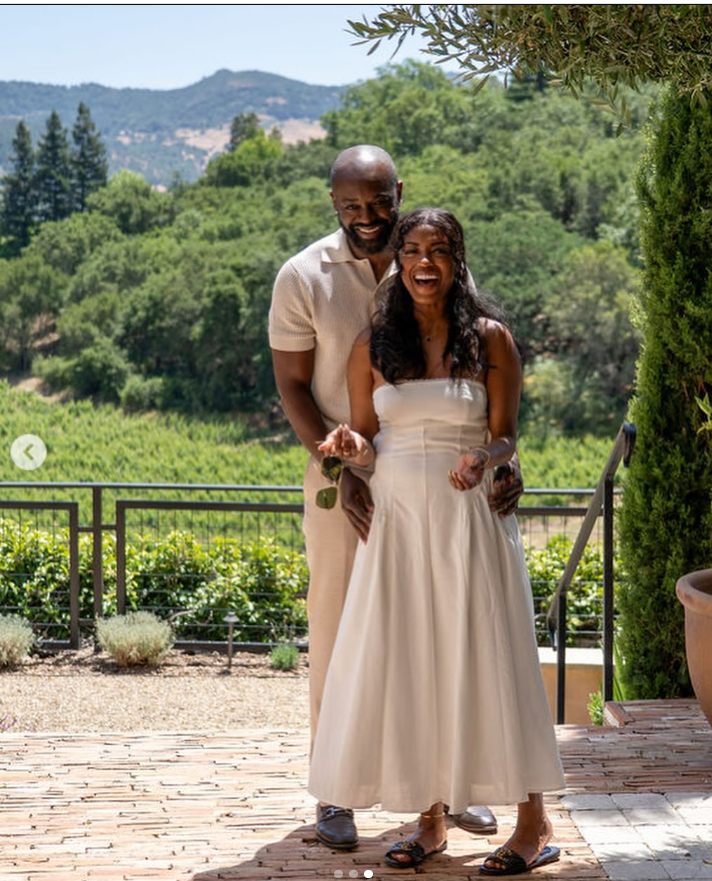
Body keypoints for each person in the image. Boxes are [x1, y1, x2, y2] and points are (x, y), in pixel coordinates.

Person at [269, 145, 523, 850]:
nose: (365, 216)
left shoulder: (430, 254)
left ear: (398, 194)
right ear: (333, 203)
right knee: (339, 628)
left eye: (378, 203)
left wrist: (504, 461)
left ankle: (451, 783)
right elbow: (292, 386)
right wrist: (340, 464)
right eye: (351, 205)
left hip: (438, 487)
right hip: (343, 472)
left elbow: (482, 382)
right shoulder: (302, 276)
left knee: (444, 626)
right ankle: (336, 791)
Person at [309, 208, 565, 874]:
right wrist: (349, 446)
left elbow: (507, 436)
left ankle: (533, 825)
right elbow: (369, 440)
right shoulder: (371, 345)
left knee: (494, 655)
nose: (426, 262)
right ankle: (430, 820)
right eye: (413, 250)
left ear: (457, 260)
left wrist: (486, 457)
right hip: (397, 524)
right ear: (398, 263)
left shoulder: (492, 339)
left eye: (440, 250)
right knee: (412, 661)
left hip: (470, 521)